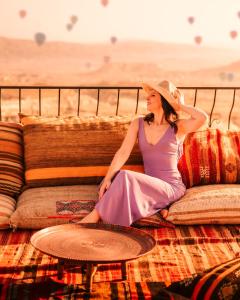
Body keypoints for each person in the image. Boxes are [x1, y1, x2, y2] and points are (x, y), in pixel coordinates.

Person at [79, 80, 208, 226]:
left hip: (170, 186)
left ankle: (93, 219)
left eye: (153, 95)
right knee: (116, 178)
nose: (147, 98)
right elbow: (123, 152)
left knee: (125, 176)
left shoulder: (178, 127)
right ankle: (155, 208)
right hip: (146, 186)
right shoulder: (139, 123)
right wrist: (108, 178)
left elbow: (202, 118)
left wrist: (179, 106)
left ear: (165, 100)